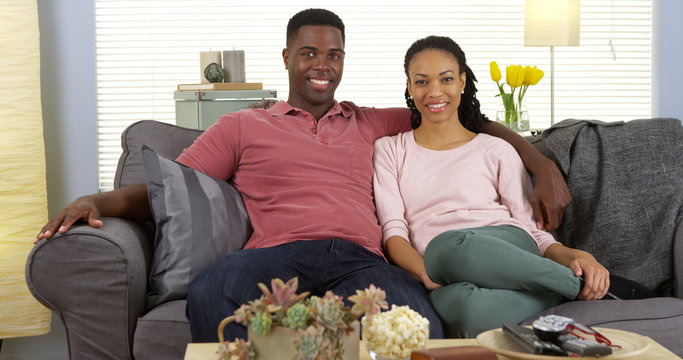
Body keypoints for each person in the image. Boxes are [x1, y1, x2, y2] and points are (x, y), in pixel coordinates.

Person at [36, 10, 573, 342]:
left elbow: (458, 113)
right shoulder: (242, 125)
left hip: (361, 256)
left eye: (334, 54)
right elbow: (175, 188)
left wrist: (540, 161)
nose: (323, 64)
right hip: (277, 256)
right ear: (288, 56)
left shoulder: (372, 121)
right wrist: (97, 201)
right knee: (211, 290)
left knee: (418, 322)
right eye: (311, 53)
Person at [373, 35, 654, 338]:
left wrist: (572, 255)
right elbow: (394, 232)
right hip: (447, 271)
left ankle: (575, 282)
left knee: (446, 248)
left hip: (503, 244)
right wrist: (426, 276)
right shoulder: (390, 150)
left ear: (463, 82)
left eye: (446, 79)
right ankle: (561, 292)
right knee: (457, 308)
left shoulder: (495, 149)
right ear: (409, 87)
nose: (435, 91)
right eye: (422, 81)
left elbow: (530, 230)